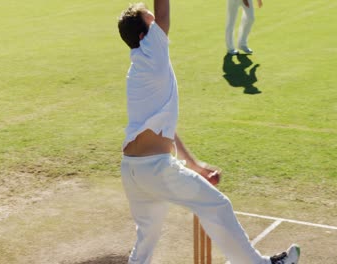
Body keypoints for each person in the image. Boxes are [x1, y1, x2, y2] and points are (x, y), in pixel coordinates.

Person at [117, 1, 300, 263]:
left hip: (133, 171)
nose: (159, 25)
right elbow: (164, 11)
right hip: (155, 170)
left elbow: (162, 129)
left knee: (146, 239)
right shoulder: (152, 52)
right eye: (152, 22)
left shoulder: (137, 71)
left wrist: (194, 164)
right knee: (217, 206)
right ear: (144, 37)